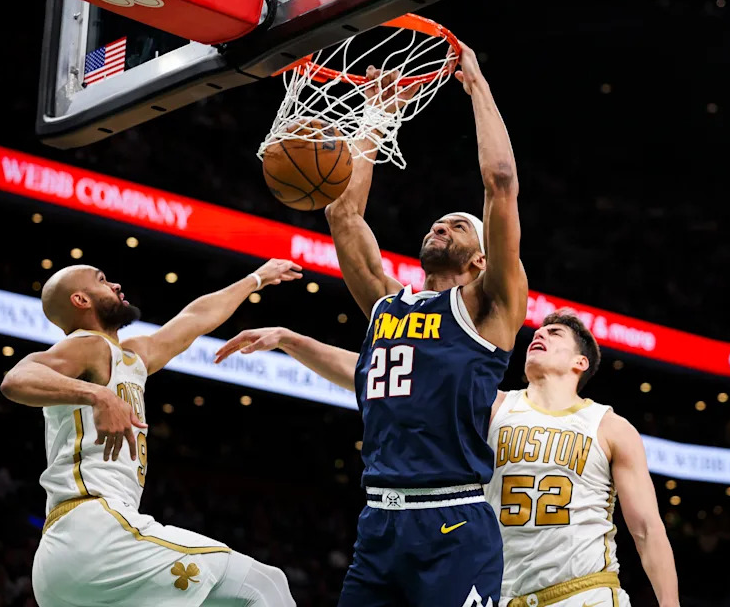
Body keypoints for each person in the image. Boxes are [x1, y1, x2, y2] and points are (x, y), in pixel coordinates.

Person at [225, 42, 529, 607]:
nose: (442, 225)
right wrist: (378, 114)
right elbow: (343, 213)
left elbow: (501, 184)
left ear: (480, 260)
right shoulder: (389, 307)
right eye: (438, 222)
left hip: (453, 521)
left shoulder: (489, 309)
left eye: (458, 226)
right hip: (379, 524)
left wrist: (478, 87)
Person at [215, 310, 680, 607]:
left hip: (585, 592)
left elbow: (646, 530)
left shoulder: (610, 426)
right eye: (536, 332)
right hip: (503, 592)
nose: (538, 336)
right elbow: (378, 373)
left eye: (554, 334)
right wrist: (291, 340)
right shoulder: (491, 405)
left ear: (581, 363)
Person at [0, 259, 303, 607]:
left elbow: (194, 319)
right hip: (94, 531)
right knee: (264, 584)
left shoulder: (129, 356)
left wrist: (256, 279)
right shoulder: (87, 346)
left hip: (65, 562)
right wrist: (98, 394)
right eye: (102, 280)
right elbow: (16, 379)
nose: (114, 284)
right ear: (81, 300)